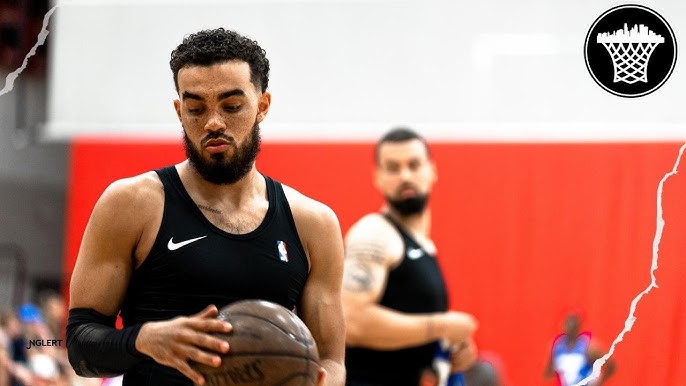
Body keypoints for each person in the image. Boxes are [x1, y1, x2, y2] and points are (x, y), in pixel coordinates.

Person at [66, 28, 346, 386]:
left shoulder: (313, 224)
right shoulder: (132, 204)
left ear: (262, 106)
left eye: (231, 106)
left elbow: (331, 361)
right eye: (196, 108)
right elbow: (80, 347)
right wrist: (143, 340)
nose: (213, 122)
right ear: (179, 112)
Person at [342, 127, 480, 386]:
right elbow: (351, 322)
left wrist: (449, 348)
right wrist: (440, 326)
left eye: (414, 165)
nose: (405, 175)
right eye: (393, 168)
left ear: (432, 170)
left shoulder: (422, 245)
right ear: (378, 177)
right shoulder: (374, 234)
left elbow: (411, 334)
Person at [544, 311, 616, 386]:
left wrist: (599, 382)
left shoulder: (588, 347)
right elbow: (548, 373)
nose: (570, 327)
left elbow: (611, 364)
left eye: (573, 324)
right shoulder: (558, 348)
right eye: (568, 323)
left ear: (578, 327)